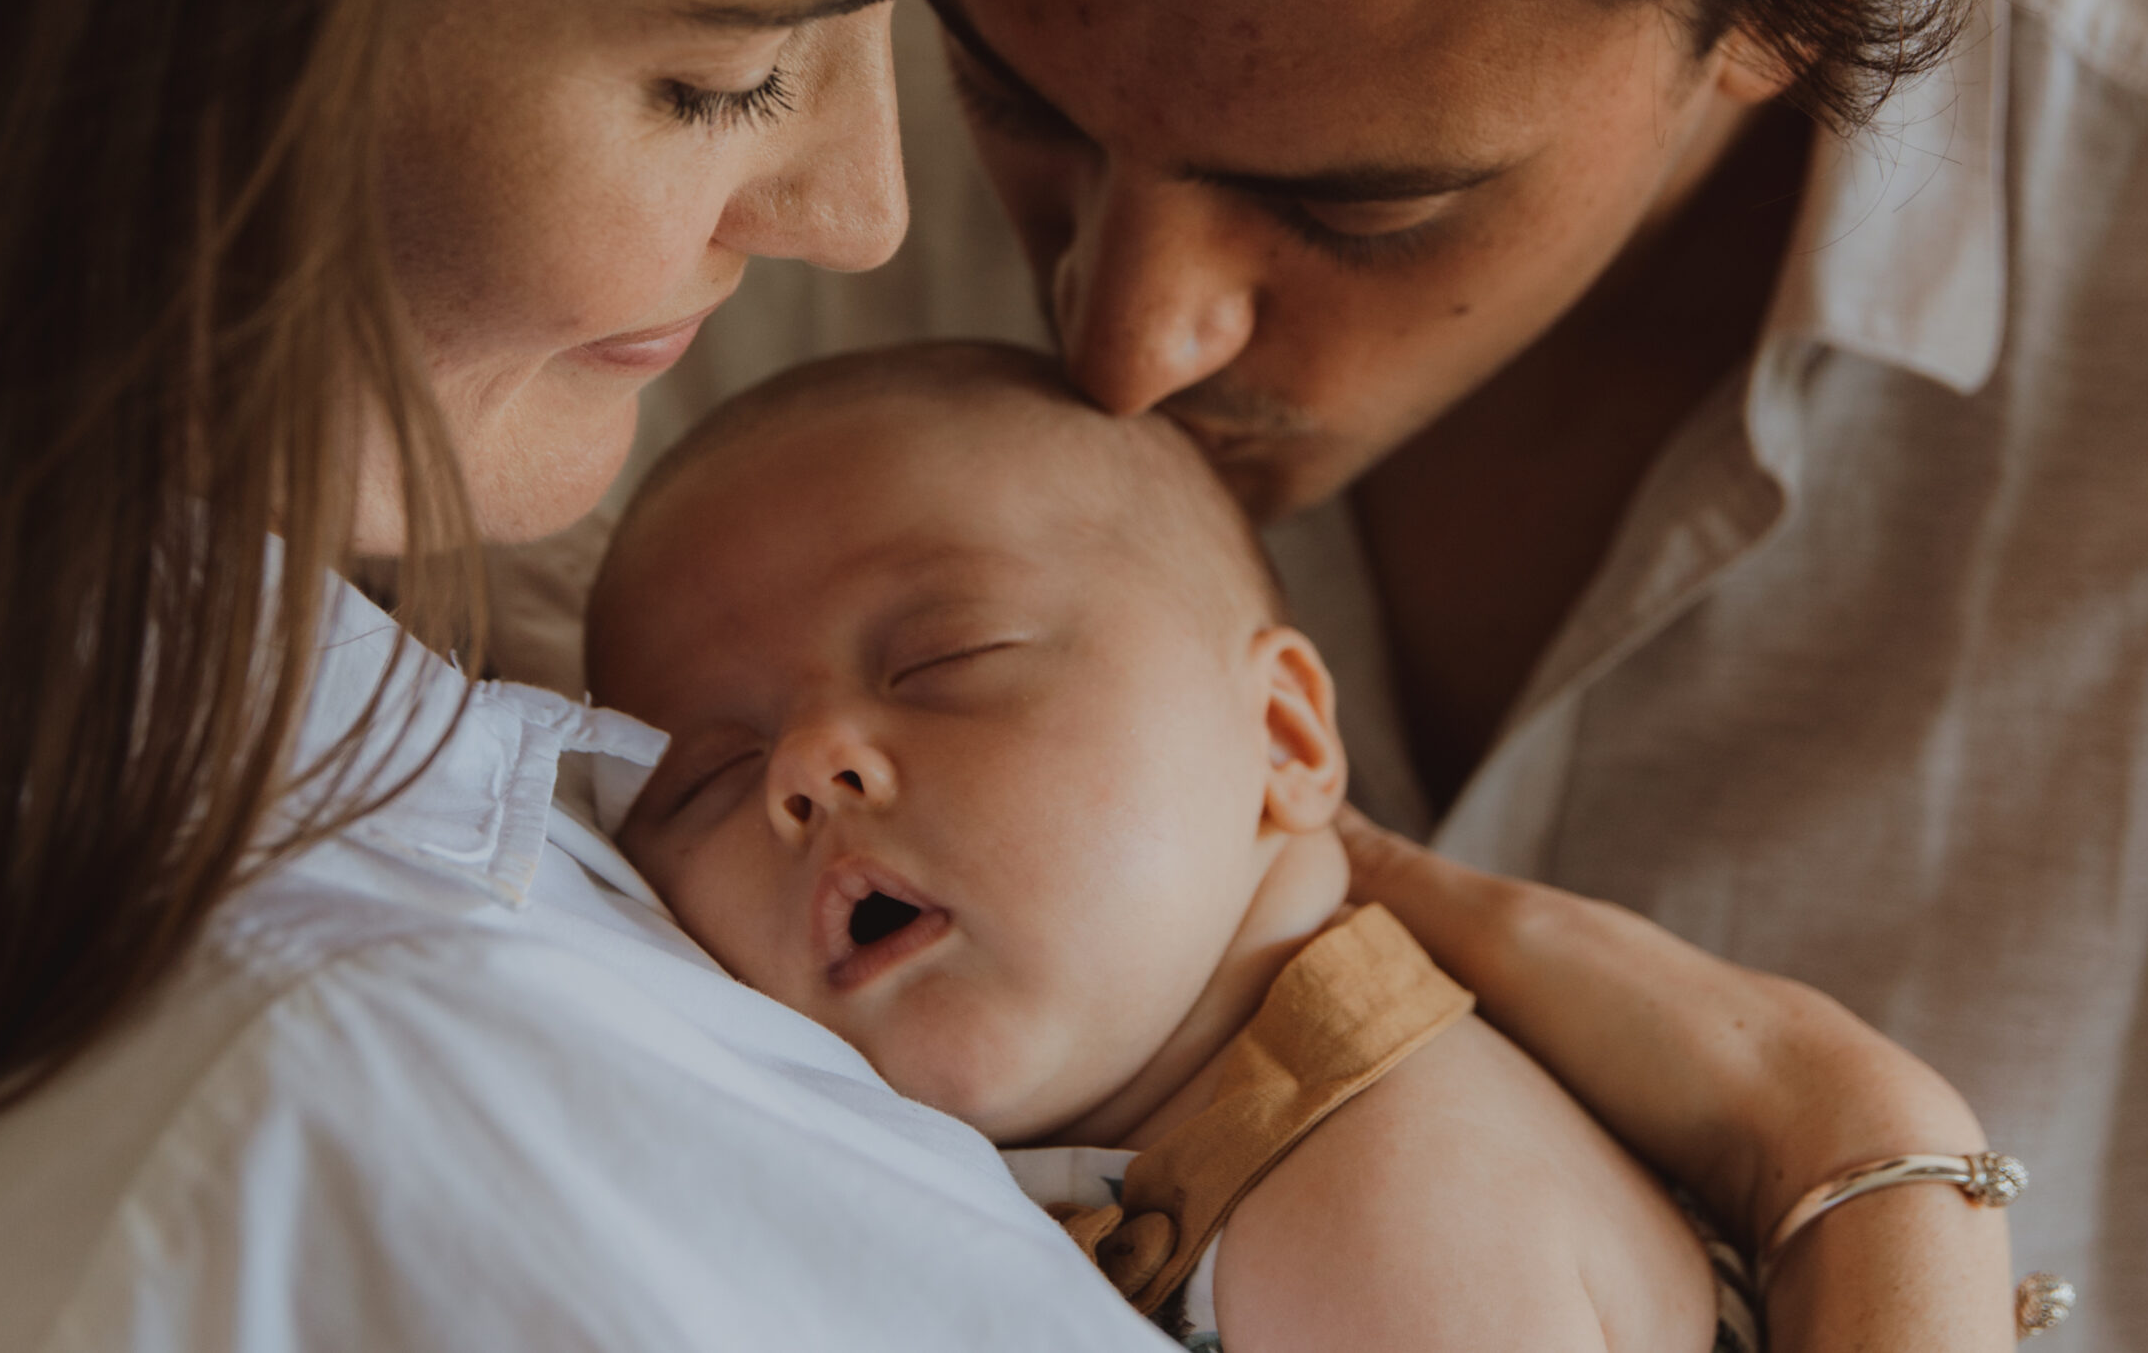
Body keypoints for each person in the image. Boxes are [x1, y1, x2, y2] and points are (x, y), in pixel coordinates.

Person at [0, 0, 2027, 1350]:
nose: (1104, 350)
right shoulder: (405, 1070)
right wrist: (1871, 1203)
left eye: (1363, 208)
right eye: (740, 69)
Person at [635, 0, 2148, 1349]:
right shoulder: (747, 99)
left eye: (1364, 209)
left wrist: (1864, 1166)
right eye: (1020, 102)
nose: (1122, 344)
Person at [585, 339, 1767, 1353]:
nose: (805, 766)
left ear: (1281, 736)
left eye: (945, 661)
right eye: (706, 778)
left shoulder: (1383, 1197)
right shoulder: (1139, 1138)